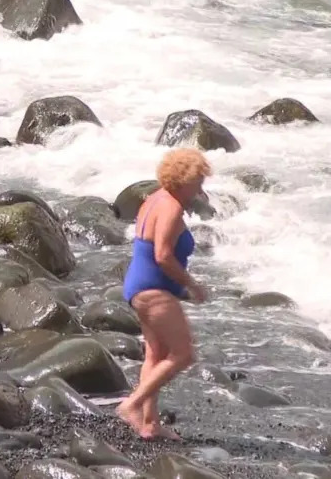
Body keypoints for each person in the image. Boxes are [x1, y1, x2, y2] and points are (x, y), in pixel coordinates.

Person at [116, 147, 212, 441]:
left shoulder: (154, 199)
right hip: (154, 289)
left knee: (155, 354)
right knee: (183, 354)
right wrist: (191, 284)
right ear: (184, 180)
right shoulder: (171, 207)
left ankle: (150, 424)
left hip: (139, 285)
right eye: (198, 181)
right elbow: (162, 255)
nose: (201, 189)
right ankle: (131, 404)